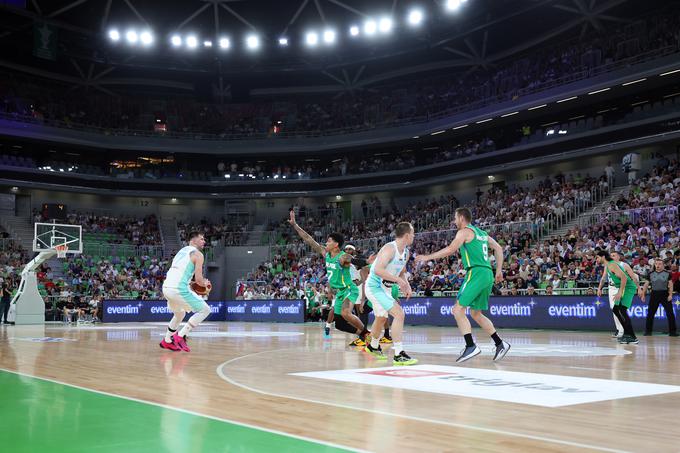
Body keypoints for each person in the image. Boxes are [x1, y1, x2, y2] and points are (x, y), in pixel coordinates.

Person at [416, 207, 510, 363]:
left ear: (461, 218)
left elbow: (451, 249)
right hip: (488, 274)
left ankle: (470, 345)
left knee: (457, 309)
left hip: (476, 273)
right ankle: (500, 344)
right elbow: (499, 248)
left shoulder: (464, 232)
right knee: (476, 314)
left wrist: (427, 257)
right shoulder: (482, 233)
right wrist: (498, 270)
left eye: (455, 218)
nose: (454, 221)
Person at [289, 211, 369, 346]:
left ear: (336, 244)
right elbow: (309, 239)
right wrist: (295, 225)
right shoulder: (326, 254)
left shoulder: (343, 256)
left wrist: (371, 261)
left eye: (329, 241)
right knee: (339, 324)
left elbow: (356, 261)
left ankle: (368, 334)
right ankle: (363, 335)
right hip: (339, 292)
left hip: (349, 288)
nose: (326, 242)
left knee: (345, 312)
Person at [364, 222, 418, 365]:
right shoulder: (389, 249)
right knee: (399, 314)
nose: (414, 236)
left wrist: (407, 285)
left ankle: (373, 346)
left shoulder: (406, 252)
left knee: (381, 318)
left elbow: (401, 272)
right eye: (413, 233)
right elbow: (378, 270)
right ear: (407, 235)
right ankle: (398, 353)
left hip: (385, 288)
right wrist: (398, 281)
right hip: (374, 286)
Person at [160, 231, 212, 352]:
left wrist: (192, 283)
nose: (204, 241)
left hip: (166, 287)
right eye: (202, 239)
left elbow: (181, 273)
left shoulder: (180, 252)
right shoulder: (198, 254)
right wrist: (206, 284)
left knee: (179, 314)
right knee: (205, 310)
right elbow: (199, 280)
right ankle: (181, 336)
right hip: (178, 289)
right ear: (193, 241)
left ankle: (167, 340)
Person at [596, 249, 639, 344]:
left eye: (598, 257)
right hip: (622, 287)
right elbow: (604, 279)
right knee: (616, 309)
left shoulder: (612, 265)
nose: (596, 259)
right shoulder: (608, 265)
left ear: (603, 257)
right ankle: (627, 334)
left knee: (622, 310)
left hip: (628, 288)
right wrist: (599, 288)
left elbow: (624, 277)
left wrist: (620, 292)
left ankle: (632, 336)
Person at [640, 260, 677, 337]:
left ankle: (672, 332)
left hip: (664, 294)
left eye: (660, 264)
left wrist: (670, 295)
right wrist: (643, 294)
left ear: (663, 265)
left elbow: (671, 284)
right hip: (654, 294)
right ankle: (648, 331)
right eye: (656, 264)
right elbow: (646, 285)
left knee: (670, 313)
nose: (658, 265)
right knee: (650, 313)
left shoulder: (667, 273)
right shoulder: (650, 273)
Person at [597, 251, 624, 338]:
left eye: (614, 255)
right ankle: (619, 329)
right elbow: (604, 277)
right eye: (611, 255)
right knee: (614, 310)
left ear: (619, 257)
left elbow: (629, 277)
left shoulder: (623, 265)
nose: (612, 257)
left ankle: (623, 330)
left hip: (619, 288)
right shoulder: (607, 265)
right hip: (611, 288)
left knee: (619, 309)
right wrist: (599, 288)